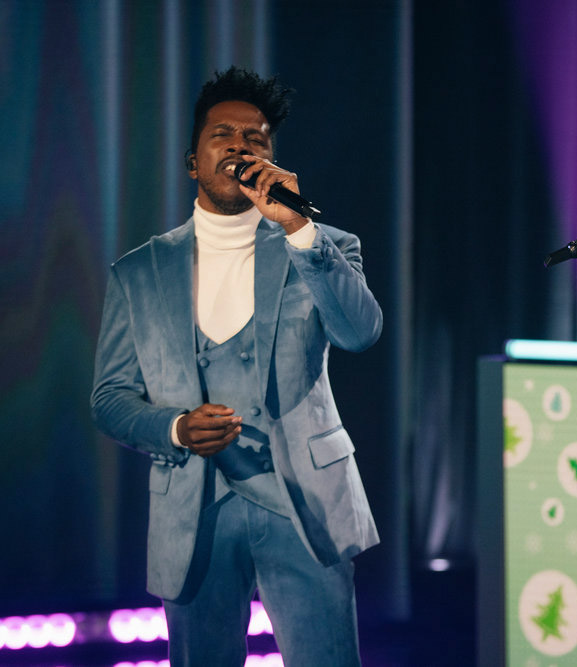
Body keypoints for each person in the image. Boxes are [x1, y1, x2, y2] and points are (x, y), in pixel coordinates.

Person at [91, 67, 382, 666]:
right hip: (193, 509)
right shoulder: (138, 272)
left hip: (306, 503)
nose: (240, 145)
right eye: (222, 134)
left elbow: (360, 333)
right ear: (192, 162)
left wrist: (297, 226)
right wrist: (175, 428)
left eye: (256, 138)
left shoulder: (322, 244)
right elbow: (110, 398)